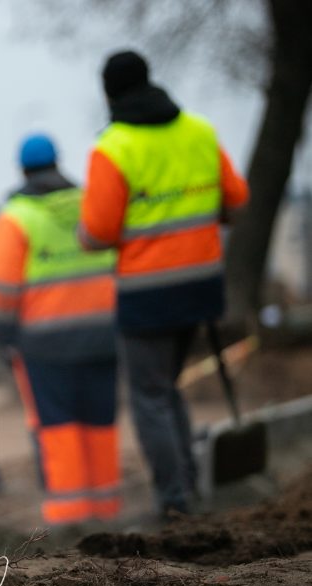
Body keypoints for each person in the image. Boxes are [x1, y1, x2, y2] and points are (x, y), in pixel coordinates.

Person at [78, 50, 249, 518]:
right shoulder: (199, 131)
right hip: (201, 286)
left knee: (149, 396)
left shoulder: (114, 148)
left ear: (109, 93)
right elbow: (236, 199)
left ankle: (175, 502)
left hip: (147, 293)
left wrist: (87, 235)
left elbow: (98, 232)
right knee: (167, 388)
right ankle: (188, 489)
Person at [0, 133, 120, 526]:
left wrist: (4, 334)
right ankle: (106, 509)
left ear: (22, 170)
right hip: (103, 335)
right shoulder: (87, 205)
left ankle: (69, 516)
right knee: (101, 423)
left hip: (46, 343)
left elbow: (3, 289)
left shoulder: (17, 217)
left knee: (59, 427)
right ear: (58, 162)